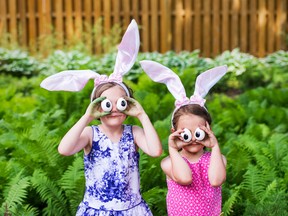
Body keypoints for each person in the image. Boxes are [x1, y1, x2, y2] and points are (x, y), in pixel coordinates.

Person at [40, 20, 162, 216]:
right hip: (97, 210)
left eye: (121, 103)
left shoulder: (135, 132)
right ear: (97, 106)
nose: (114, 109)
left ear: (128, 104)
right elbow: (64, 150)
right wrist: (87, 117)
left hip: (132, 210)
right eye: (106, 104)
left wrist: (141, 115)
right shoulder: (91, 134)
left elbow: (156, 151)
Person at [140, 60, 227, 216]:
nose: (193, 138)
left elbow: (216, 180)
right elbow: (185, 178)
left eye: (199, 132)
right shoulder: (169, 163)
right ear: (174, 132)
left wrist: (214, 147)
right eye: (186, 133)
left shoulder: (217, 159)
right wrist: (173, 149)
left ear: (209, 130)